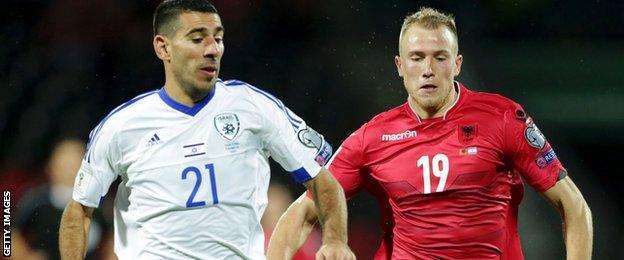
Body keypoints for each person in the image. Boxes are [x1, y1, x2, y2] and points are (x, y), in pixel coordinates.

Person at [267, 7, 593, 260]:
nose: (428, 69)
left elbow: (573, 206)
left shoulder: (503, 118)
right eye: (417, 58)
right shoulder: (373, 137)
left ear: (458, 64)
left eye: (440, 57)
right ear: (398, 65)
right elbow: (301, 212)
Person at [58, 1, 354, 259]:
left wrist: (336, 240)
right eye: (197, 39)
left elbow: (324, 183)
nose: (212, 50)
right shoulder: (122, 126)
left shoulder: (253, 107)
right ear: (163, 47)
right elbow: (79, 211)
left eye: (218, 39)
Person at [14, 138, 112, 260]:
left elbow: (114, 241)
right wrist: (25, 256)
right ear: (51, 166)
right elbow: (8, 236)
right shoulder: (35, 200)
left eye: (74, 163)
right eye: (64, 163)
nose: (69, 170)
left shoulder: (100, 203)